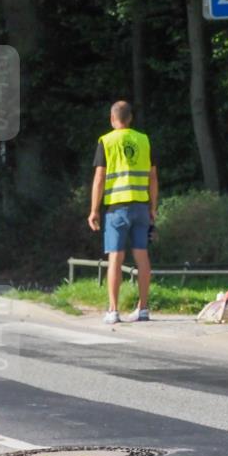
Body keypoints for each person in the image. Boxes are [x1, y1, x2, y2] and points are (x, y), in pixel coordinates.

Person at [87, 100, 158, 324]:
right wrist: (153, 207)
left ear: (112, 118)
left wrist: (94, 210)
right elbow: (153, 177)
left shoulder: (106, 141)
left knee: (115, 257)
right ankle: (143, 309)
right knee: (142, 256)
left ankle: (113, 310)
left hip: (117, 208)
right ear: (130, 119)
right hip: (141, 206)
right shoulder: (144, 140)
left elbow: (99, 177)